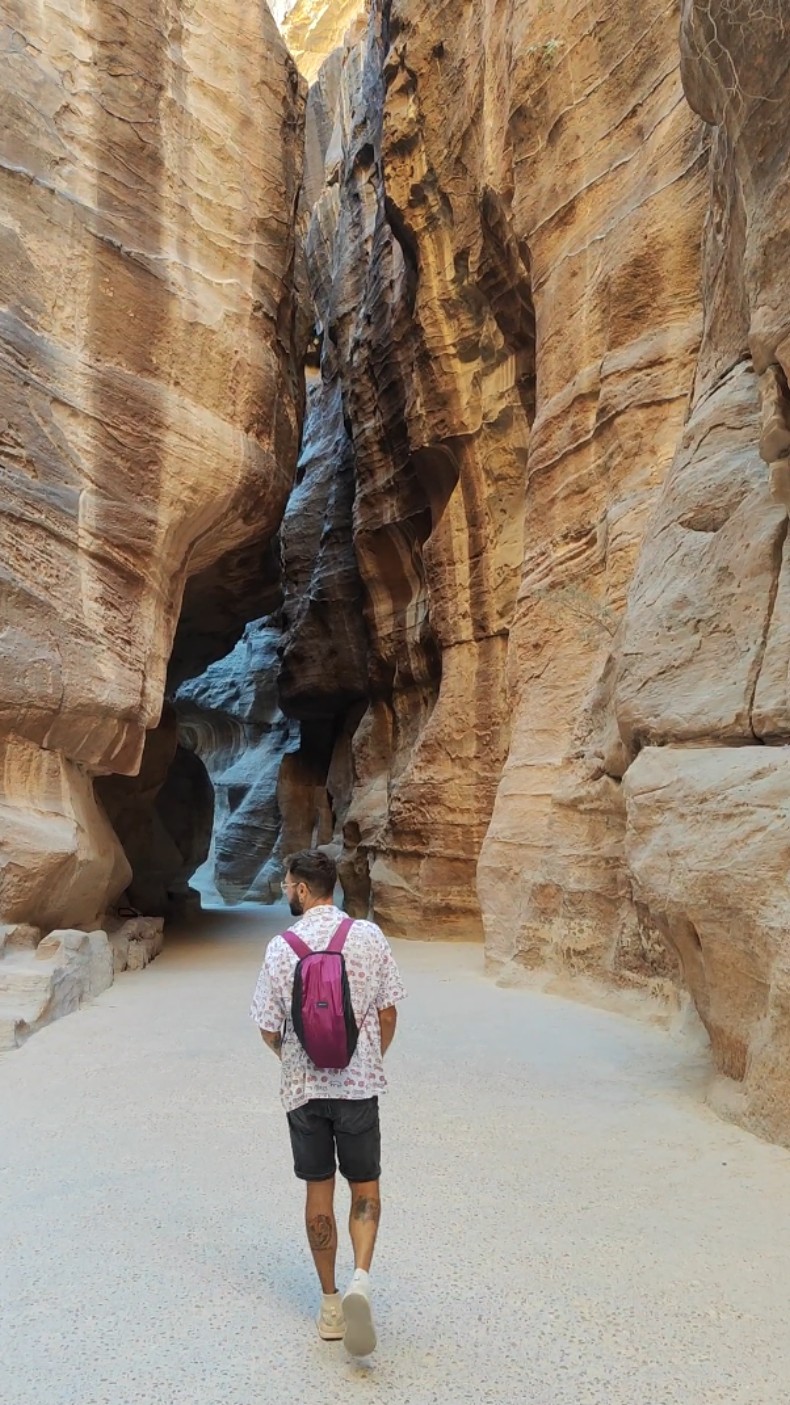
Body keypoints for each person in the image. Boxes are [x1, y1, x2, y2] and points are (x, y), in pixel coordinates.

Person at [250, 848, 406, 1356]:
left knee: (319, 1191)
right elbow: (386, 1015)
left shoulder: (281, 947)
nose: (284, 892)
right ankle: (361, 1277)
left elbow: (268, 1026)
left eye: (286, 885)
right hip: (358, 1087)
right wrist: (367, 1060)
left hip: (304, 1092)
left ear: (300, 888)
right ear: (333, 886)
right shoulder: (368, 937)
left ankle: (331, 1302)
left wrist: (292, 1059)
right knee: (364, 1185)